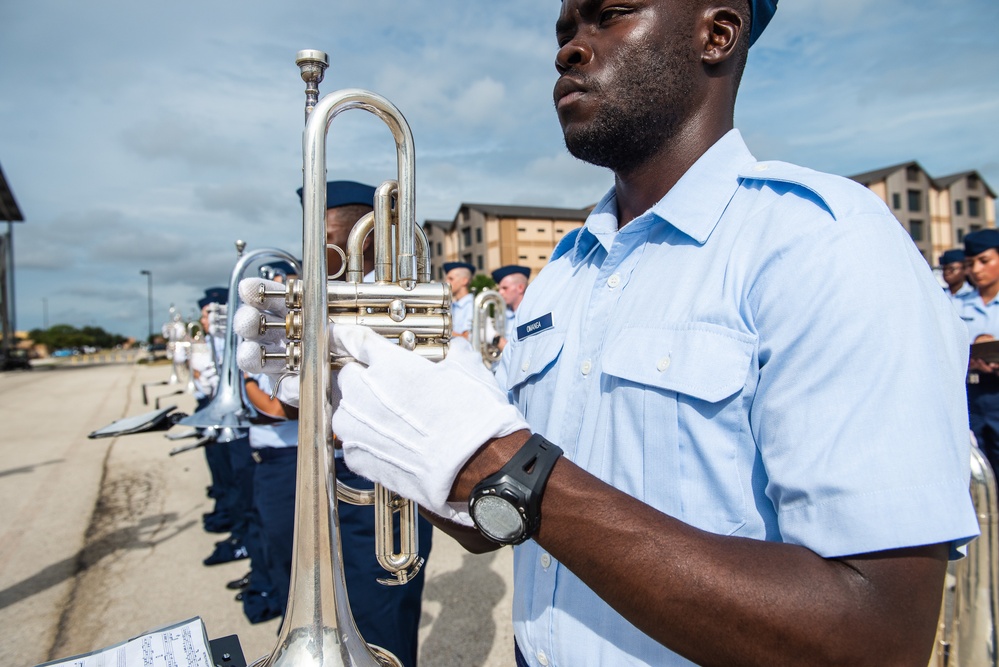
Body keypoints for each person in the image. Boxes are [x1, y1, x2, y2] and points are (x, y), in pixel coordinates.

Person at [324, 2, 979, 666]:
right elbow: (491, 525)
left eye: (609, 15)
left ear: (716, 34)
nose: (568, 50)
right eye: (563, 32)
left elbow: (877, 636)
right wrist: (368, 409)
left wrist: (510, 469)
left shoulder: (820, 242)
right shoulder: (564, 273)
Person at [245, 180, 433, 665]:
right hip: (315, 469)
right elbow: (282, 403)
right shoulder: (302, 300)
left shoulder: (399, 301)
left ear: (361, 239)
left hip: (379, 482)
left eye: (320, 237)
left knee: (381, 621)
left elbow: (413, 401)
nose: (308, 252)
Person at [960, 230, 999, 476]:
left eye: (984, 261)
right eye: (970, 263)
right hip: (969, 395)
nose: (976, 269)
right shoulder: (956, 304)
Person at [490, 265, 530, 351]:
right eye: (500, 289)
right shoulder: (503, 314)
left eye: (505, 288)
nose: (500, 292)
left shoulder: (530, 314)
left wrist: (494, 338)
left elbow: (519, 353)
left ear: (520, 288)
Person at [443, 261, 476, 338]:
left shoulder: (471, 305)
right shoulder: (453, 304)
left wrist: (439, 330)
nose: (446, 282)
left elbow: (467, 338)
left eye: (451, 279)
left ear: (464, 281)